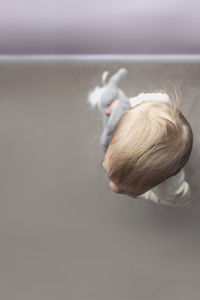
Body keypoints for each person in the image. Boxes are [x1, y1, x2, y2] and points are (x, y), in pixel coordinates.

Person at [87, 68, 193, 206]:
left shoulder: (168, 188)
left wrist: (146, 195)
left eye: (128, 190)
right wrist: (119, 105)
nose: (113, 188)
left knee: (174, 197)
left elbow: (184, 198)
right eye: (106, 166)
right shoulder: (136, 107)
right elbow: (156, 99)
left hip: (167, 187)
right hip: (143, 106)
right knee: (156, 102)